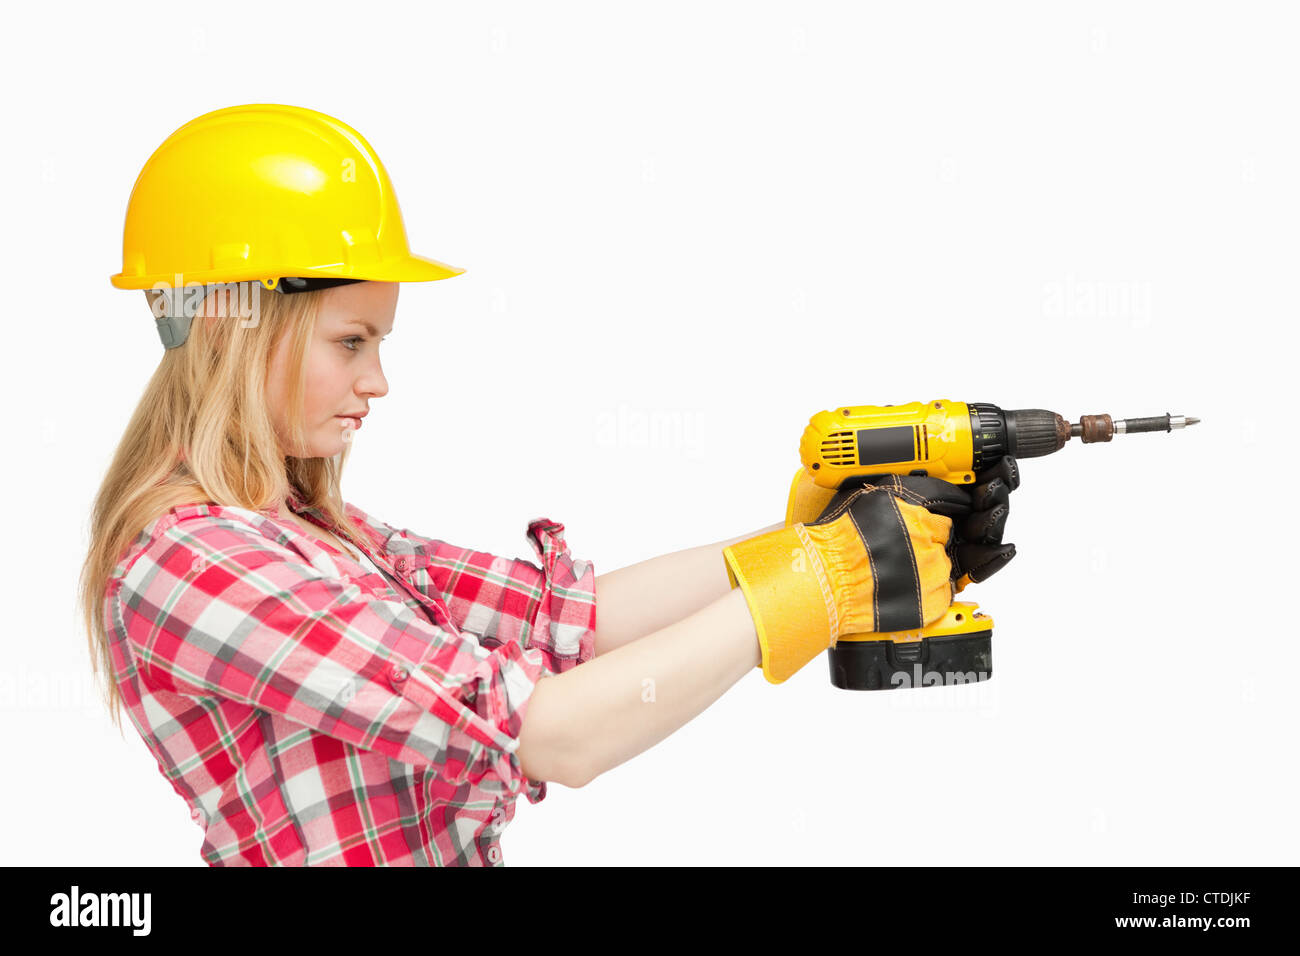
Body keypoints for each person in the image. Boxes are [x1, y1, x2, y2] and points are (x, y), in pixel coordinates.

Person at [80, 103, 1015, 866]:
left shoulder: (314, 532)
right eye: (350, 341)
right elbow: (547, 735)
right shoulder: (195, 564)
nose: (378, 382)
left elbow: (562, 615)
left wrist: (803, 543)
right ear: (226, 327)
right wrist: (824, 581)